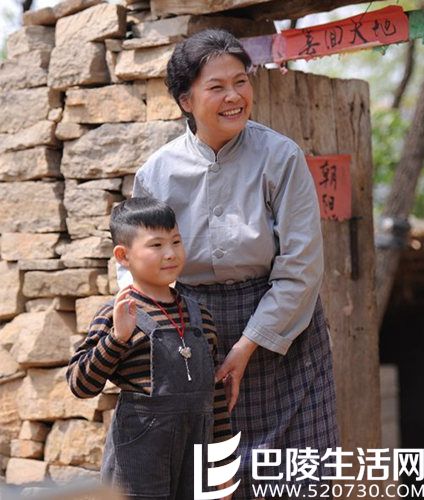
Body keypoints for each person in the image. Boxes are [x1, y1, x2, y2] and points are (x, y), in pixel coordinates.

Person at [126, 29, 340, 500]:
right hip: (192, 334)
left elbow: (302, 267)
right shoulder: (157, 173)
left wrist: (247, 345)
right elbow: (139, 267)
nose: (234, 96)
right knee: (205, 482)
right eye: (217, 87)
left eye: (241, 81)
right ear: (186, 100)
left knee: (298, 482)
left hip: (283, 333)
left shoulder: (281, 157)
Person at [66, 196, 235, 500]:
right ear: (123, 255)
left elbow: (216, 395)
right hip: (139, 463)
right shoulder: (117, 314)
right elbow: (80, 384)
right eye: (156, 245)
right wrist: (117, 338)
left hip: (197, 458)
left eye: (176, 241)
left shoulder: (201, 316)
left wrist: (222, 465)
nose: (170, 253)